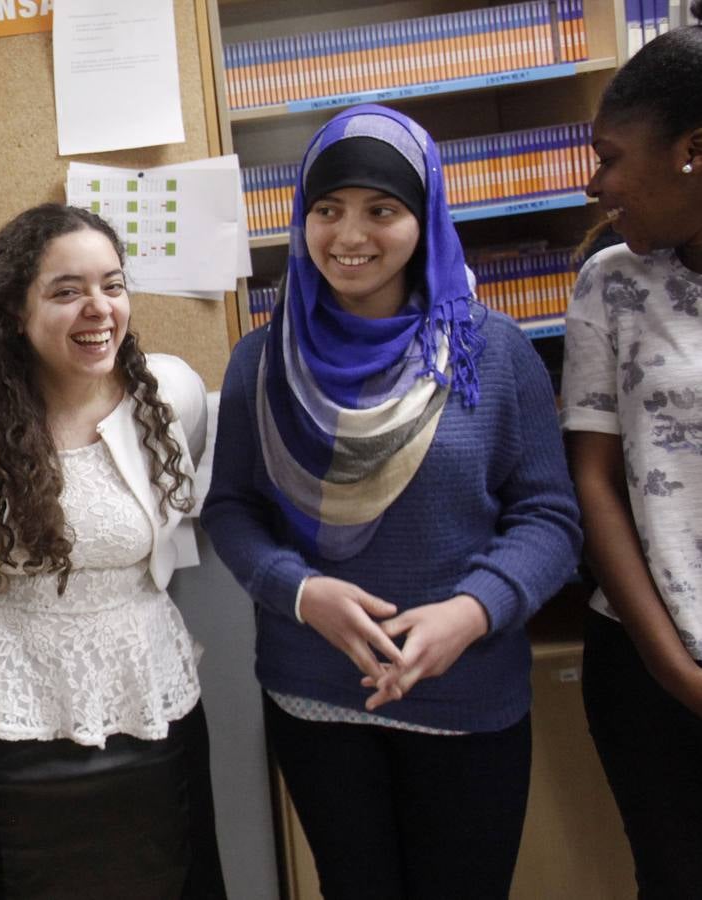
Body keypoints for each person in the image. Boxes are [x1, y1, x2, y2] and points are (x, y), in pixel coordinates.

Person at [201, 104, 582, 899]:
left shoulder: (491, 351)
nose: (349, 236)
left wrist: (470, 612)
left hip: (466, 693)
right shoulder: (259, 364)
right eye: (326, 209)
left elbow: (548, 517)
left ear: (425, 216)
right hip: (314, 693)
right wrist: (300, 593)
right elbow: (232, 509)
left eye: (382, 210)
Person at [0, 203, 225, 899]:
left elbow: (176, 495)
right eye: (66, 290)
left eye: (112, 285)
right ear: (12, 310)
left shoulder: (168, 395)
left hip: (146, 702)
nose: (98, 308)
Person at [561, 9, 702, 895]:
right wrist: (678, 675)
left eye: (611, 157)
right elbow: (595, 482)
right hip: (649, 663)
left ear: (693, 148)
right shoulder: (608, 283)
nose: (593, 183)